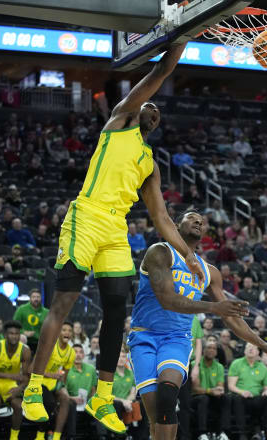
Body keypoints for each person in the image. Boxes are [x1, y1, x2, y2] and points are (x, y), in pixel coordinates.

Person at [21, 44, 208, 435]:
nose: (154, 109)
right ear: (136, 108)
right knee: (65, 303)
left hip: (115, 229)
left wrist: (188, 254)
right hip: (86, 217)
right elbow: (155, 78)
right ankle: (34, 389)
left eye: (159, 111)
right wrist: (178, 44)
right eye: (150, 105)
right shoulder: (120, 121)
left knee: (116, 310)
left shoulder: (150, 163)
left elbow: (160, 218)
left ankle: (103, 396)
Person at [127, 211, 267, 440]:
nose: (198, 221)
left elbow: (231, 316)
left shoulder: (209, 272)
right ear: (175, 225)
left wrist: (262, 344)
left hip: (176, 338)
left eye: (201, 221)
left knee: (167, 394)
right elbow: (167, 299)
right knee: (155, 419)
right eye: (192, 217)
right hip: (144, 337)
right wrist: (214, 308)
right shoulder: (161, 252)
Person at [0, 321, 31, 440]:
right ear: (5, 334)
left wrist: (19, 388)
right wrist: (12, 376)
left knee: (18, 405)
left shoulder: (25, 350)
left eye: (17, 333)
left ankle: (14, 437)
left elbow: (26, 376)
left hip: (10, 385)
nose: (14, 336)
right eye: (11, 333)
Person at [35, 322, 75, 440]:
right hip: (39, 382)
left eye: (69, 331)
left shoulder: (71, 353)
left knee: (65, 399)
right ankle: (40, 434)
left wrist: (63, 387)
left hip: (54, 384)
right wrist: (52, 375)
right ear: (58, 333)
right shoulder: (50, 346)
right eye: (64, 330)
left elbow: (64, 376)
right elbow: (33, 369)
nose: (67, 332)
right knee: (50, 403)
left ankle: (56, 436)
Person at [192, 341, 230, 440]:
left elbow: (220, 387)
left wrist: (219, 390)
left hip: (211, 396)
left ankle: (221, 432)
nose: (211, 350)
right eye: (209, 347)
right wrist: (210, 391)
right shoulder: (195, 365)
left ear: (216, 352)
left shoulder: (219, 367)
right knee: (203, 399)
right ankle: (202, 433)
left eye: (214, 348)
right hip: (195, 397)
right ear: (203, 350)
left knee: (225, 398)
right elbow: (195, 389)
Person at [13, 289, 48, 353]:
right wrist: (23, 332)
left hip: (40, 342)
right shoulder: (21, 309)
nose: (36, 299)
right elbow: (14, 325)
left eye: (38, 297)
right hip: (25, 340)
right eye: (33, 297)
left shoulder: (46, 312)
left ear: (41, 298)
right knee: (22, 337)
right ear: (30, 298)